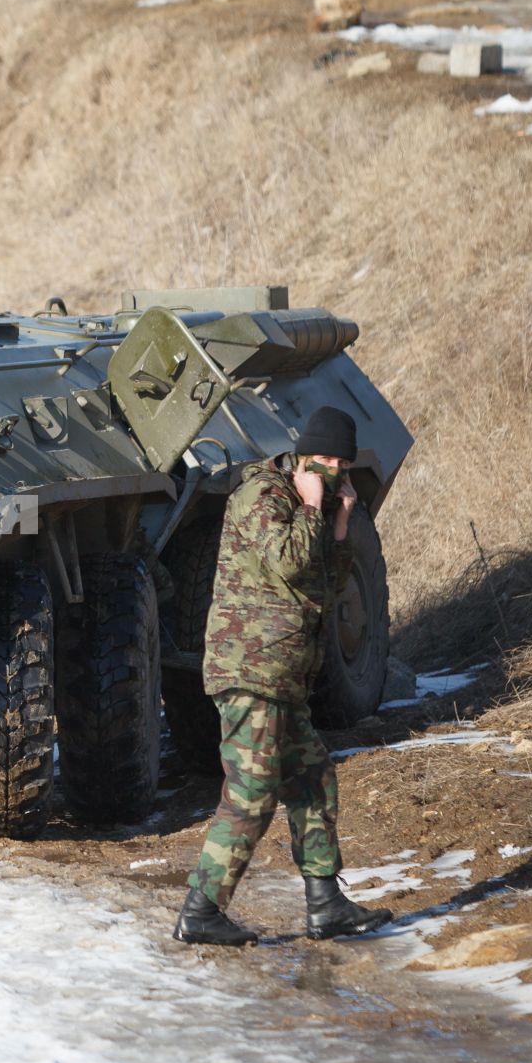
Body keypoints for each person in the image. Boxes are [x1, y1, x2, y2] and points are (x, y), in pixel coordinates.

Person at [174, 405, 394, 946]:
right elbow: (292, 560)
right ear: (301, 454)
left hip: (284, 674)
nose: (330, 469)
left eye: (340, 462)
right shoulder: (263, 496)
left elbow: (322, 581)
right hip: (250, 670)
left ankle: (325, 904)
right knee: (251, 794)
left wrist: (339, 526)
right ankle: (201, 909)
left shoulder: (310, 502)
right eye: (321, 459)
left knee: (314, 779)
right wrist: (316, 507)